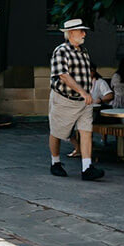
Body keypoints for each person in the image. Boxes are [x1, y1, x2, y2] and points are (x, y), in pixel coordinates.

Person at [45, 19, 105, 181]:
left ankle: (87, 168)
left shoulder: (83, 51)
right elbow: (63, 75)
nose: (84, 34)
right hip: (64, 99)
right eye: (81, 31)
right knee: (57, 132)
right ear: (71, 33)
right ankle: (55, 163)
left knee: (86, 131)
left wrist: (86, 94)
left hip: (83, 101)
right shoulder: (61, 51)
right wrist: (83, 92)